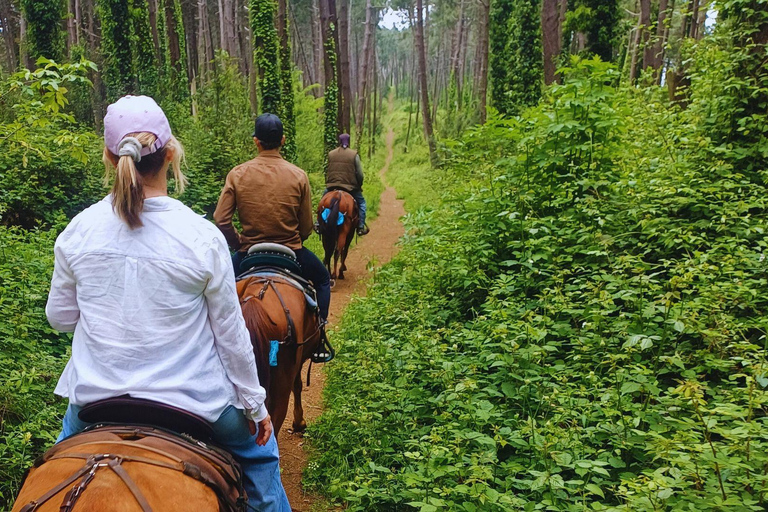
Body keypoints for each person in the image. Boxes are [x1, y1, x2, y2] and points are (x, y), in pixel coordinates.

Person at [45, 95, 291, 511]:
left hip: (93, 403)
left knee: (48, 473)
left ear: (110, 157)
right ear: (170, 153)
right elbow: (230, 336)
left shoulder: (77, 231)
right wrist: (255, 406)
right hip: (196, 405)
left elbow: (59, 318)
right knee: (261, 457)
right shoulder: (200, 236)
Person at [214, 113, 332, 327]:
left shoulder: (237, 174)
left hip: (248, 252)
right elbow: (306, 227)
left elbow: (221, 219)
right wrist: (296, 238)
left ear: (256, 142)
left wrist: (238, 242)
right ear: (283, 140)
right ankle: (321, 331)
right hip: (292, 251)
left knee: (217, 285)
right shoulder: (298, 175)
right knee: (323, 279)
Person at [324, 133, 369, 235]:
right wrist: (359, 185)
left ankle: (318, 223)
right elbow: (360, 174)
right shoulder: (354, 155)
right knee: (361, 203)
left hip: (332, 186)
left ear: (339, 141)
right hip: (350, 188)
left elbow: (328, 170)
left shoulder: (331, 154)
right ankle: (361, 227)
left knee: (322, 203)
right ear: (349, 141)